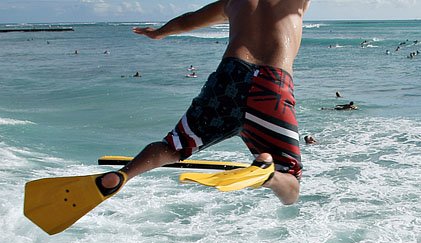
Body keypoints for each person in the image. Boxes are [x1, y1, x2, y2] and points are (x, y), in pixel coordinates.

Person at [99, 0, 310, 205]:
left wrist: (158, 33)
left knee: (173, 147)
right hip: (271, 86)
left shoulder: (231, 3)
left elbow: (187, 20)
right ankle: (269, 176)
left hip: (230, 78)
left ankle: (122, 175)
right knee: (291, 183)